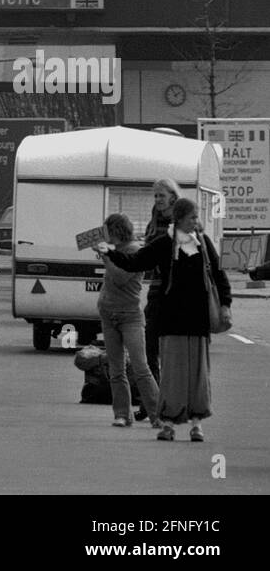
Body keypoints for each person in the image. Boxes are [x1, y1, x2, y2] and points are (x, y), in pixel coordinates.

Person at [98, 198, 231, 441]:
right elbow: (135, 262)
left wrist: (226, 305)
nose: (196, 221)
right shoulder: (164, 244)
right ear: (179, 219)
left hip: (198, 320)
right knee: (171, 373)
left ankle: (196, 424)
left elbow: (219, 276)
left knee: (197, 374)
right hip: (171, 319)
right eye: (192, 217)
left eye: (196, 217)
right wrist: (111, 253)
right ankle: (168, 423)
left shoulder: (203, 243)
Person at [94, 214, 161, 428]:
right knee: (116, 368)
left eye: (108, 232)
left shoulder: (134, 250)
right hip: (108, 312)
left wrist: (106, 256)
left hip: (129, 315)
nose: (106, 236)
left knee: (140, 367)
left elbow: (120, 278)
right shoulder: (114, 250)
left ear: (117, 231)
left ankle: (156, 413)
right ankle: (122, 413)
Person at [136, 178, 180, 421]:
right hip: (155, 289)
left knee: (171, 351)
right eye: (155, 196)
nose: (157, 200)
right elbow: (148, 248)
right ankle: (150, 402)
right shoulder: (155, 217)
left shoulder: (181, 218)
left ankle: (170, 403)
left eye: (161, 196)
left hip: (174, 292)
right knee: (148, 346)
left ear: (173, 196)